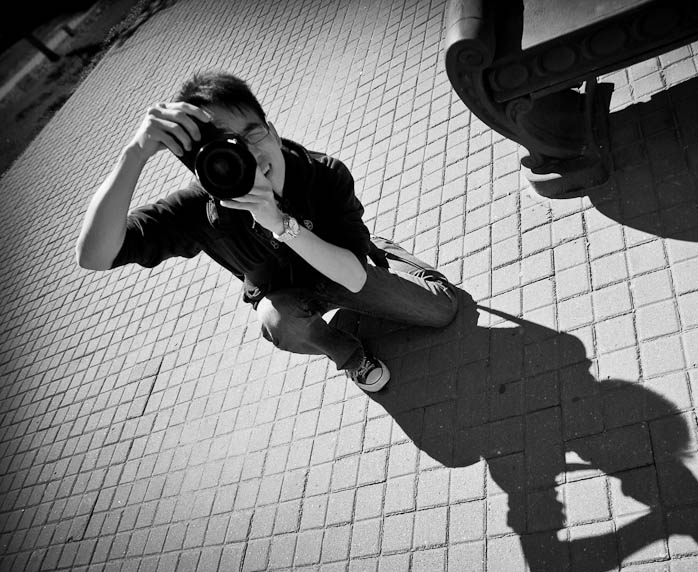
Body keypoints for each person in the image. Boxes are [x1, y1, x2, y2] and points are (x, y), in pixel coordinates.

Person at [75, 71, 458, 392]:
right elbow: (94, 256)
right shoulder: (200, 208)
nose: (251, 156)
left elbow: (354, 278)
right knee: (275, 320)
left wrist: (277, 222)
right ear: (203, 167)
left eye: (252, 134)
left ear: (273, 131)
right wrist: (134, 154)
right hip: (287, 293)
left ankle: (384, 251)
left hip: (342, 268)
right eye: (227, 150)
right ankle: (351, 354)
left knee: (443, 310)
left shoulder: (323, 174)